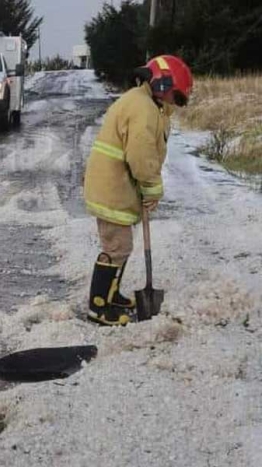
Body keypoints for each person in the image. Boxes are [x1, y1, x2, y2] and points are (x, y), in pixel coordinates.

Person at [83, 55, 193, 326]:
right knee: (117, 246)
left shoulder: (145, 102)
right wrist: (152, 189)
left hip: (116, 185)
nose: (172, 100)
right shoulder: (142, 108)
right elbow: (141, 156)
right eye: (172, 93)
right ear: (160, 82)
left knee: (120, 246)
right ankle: (98, 306)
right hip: (112, 188)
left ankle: (112, 294)